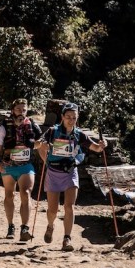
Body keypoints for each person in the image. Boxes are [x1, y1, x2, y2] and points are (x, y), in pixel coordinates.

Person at [35, 102, 107, 251]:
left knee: (69, 206)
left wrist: (102, 145)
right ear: (62, 117)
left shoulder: (79, 134)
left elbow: (96, 148)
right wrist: (46, 159)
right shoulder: (52, 131)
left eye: (74, 117)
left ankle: (66, 239)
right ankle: (50, 226)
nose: (71, 120)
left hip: (70, 172)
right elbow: (39, 145)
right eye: (68, 117)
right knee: (52, 210)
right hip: (53, 172)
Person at [0, 98, 42, 241]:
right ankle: (10, 226)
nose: (21, 112)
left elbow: (40, 142)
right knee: (9, 195)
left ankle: (24, 228)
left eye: (24, 110)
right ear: (13, 110)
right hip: (8, 165)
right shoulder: (4, 126)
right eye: (18, 109)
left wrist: (34, 144)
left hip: (26, 165)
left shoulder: (32, 124)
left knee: (25, 193)